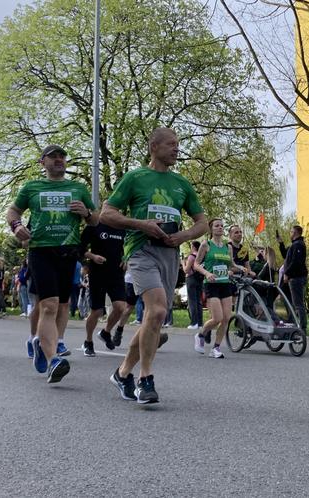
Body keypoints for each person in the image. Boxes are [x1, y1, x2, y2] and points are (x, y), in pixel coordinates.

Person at [101, 127, 207, 404]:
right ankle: (145, 380)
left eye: (178, 144)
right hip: (141, 250)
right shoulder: (135, 178)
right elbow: (107, 214)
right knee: (157, 310)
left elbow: (202, 223)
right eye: (171, 144)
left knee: (153, 318)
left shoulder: (182, 184)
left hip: (169, 254)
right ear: (153, 147)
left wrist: (182, 236)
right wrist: (141, 225)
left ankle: (123, 373)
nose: (176, 149)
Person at [7, 144, 98, 384]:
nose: (59, 160)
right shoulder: (31, 187)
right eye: (53, 157)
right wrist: (16, 227)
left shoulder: (78, 188)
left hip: (69, 252)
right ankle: (53, 359)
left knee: (64, 305)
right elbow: (13, 211)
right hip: (41, 250)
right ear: (42, 162)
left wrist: (86, 214)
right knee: (49, 305)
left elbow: (96, 219)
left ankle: (45, 342)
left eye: (62, 157)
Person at [193, 218, 244, 358]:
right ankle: (200, 335)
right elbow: (196, 264)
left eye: (222, 226)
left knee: (227, 318)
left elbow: (231, 265)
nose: (220, 228)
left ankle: (216, 348)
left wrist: (240, 268)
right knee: (217, 318)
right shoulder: (206, 245)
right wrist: (207, 273)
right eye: (217, 226)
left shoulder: (227, 247)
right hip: (211, 285)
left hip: (225, 284)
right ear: (211, 229)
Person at [79, 221, 131, 357]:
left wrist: (126, 258)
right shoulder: (94, 225)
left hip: (117, 274)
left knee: (121, 307)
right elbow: (80, 247)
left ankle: (105, 332)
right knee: (97, 311)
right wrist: (93, 257)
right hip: (97, 273)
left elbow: (129, 246)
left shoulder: (122, 225)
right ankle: (88, 341)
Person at [277, 225, 308, 331]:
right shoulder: (293, 245)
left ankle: (302, 327)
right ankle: (291, 323)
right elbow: (285, 256)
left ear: (295, 233)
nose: (289, 234)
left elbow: (296, 262)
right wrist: (281, 243)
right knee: (290, 301)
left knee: (298, 303)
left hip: (297, 278)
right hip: (293, 278)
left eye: (291, 232)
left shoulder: (299, 245)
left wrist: (287, 273)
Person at [184, 241, 204, 330]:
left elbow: (186, 270)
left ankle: (194, 323)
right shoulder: (202, 256)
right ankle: (200, 323)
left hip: (191, 278)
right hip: (200, 279)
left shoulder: (191, 256)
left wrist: (182, 263)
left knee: (192, 301)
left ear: (193, 247)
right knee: (199, 301)